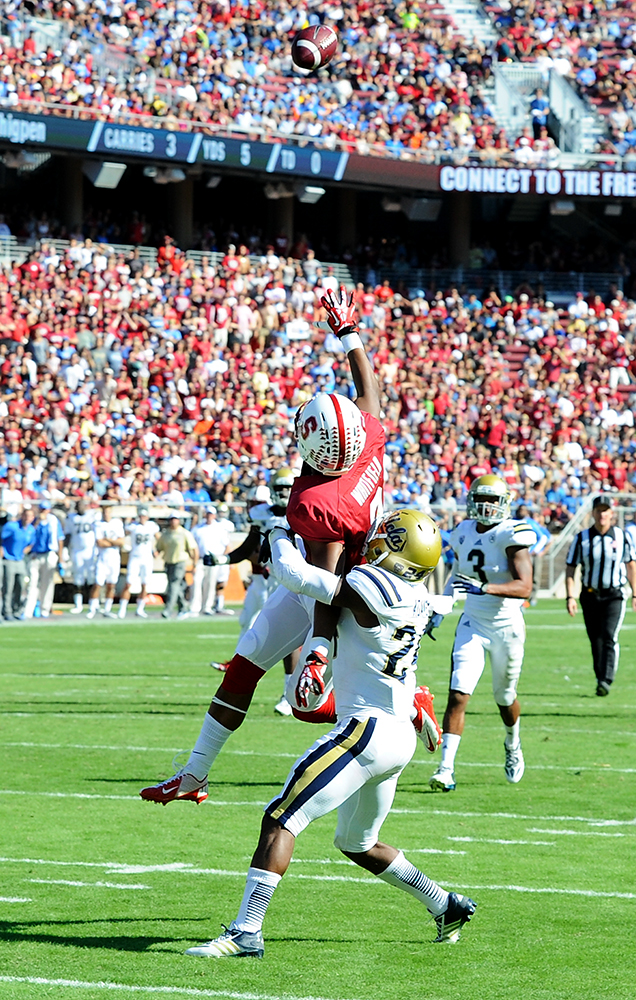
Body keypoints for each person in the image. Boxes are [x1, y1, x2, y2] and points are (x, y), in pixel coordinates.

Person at [183, 509, 476, 959]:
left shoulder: (373, 585)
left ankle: (247, 930)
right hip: (398, 735)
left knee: (281, 819)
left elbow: (298, 576)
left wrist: (281, 530)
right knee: (356, 843)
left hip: (366, 730)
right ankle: (444, 903)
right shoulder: (417, 595)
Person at [140, 285, 388, 804]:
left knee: (309, 706)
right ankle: (194, 775)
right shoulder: (368, 436)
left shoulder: (317, 504)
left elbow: (322, 584)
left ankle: (409, 703)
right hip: (348, 573)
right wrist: (348, 333)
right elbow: (369, 389)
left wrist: (317, 647)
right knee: (246, 659)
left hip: (338, 591)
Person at [428, 475, 535, 792]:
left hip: (507, 626)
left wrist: (486, 588)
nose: (487, 506)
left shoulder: (511, 533)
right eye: (482, 499)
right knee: (458, 694)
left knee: (504, 697)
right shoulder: (461, 531)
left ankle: (512, 742)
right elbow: (456, 577)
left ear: (504, 503)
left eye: (493, 500)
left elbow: (525, 586)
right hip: (472, 622)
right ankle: (445, 769)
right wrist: (439, 611)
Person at [208, 468, 299, 717]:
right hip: (267, 580)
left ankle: (288, 694)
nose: (282, 492)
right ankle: (238, 682)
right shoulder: (261, 515)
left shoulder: (301, 512)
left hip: (292, 582)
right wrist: (222, 558)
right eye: (278, 487)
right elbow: (249, 545)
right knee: (251, 627)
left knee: (292, 638)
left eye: (286, 487)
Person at [566, 495, 636, 696]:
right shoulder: (582, 538)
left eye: (606, 510)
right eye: (599, 510)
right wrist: (570, 597)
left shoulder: (622, 537)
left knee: (609, 636)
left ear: (612, 514)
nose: (602, 514)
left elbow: (631, 565)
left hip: (614, 594)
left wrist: (635, 594)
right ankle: (600, 676)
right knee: (595, 639)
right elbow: (571, 568)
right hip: (589, 594)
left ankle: (606, 679)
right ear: (593, 513)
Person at [191, 505, 235, 617]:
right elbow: (193, 545)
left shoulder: (219, 528)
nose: (209, 516)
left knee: (210, 584)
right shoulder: (198, 528)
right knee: (196, 581)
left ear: (214, 515)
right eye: (208, 514)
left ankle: (207, 606)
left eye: (211, 514)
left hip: (214, 559)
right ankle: (195, 607)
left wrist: (223, 560)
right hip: (201, 559)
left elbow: (227, 545)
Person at [23, 502, 64, 619]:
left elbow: (59, 539)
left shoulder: (54, 521)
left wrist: (60, 559)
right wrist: (37, 522)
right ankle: (28, 610)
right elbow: (30, 535)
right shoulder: (35, 522)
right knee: (32, 583)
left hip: (49, 554)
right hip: (36, 555)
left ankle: (45, 608)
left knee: (47, 583)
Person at [118, 506, 160, 618]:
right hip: (135, 557)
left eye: (144, 516)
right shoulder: (133, 527)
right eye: (141, 516)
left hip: (147, 558)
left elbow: (159, 538)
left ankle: (140, 609)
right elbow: (122, 535)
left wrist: (156, 549)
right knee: (128, 583)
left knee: (145, 584)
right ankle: (122, 608)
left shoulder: (152, 526)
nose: (142, 518)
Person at [156, 512, 198, 619]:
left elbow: (193, 548)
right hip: (168, 562)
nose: (173, 521)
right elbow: (159, 546)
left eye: (175, 519)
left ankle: (168, 610)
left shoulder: (184, 533)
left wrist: (195, 563)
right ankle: (184, 607)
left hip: (180, 561)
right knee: (175, 586)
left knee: (173, 585)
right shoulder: (166, 534)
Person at [87, 504, 125, 619]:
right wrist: (113, 541)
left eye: (108, 512)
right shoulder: (99, 525)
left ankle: (107, 608)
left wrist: (109, 540)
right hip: (102, 557)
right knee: (98, 583)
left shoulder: (117, 523)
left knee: (111, 584)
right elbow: (100, 542)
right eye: (104, 512)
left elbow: (121, 542)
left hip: (114, 558)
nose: (106, 514)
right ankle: (92, 608)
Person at [64, 499, 99, 614]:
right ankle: (78, 605)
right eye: (78, 505)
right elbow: (68, 534)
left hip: (90, 551)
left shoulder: (93, 515)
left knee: (92, 578)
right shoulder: (71, 517)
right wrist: (65, 549)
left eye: (83, 505)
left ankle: (94, 603)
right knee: (78, 578)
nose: (81, 507)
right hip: (77, 550)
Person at [1, 507, 35, 620]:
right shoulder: (12, 526)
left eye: (30, 516)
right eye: (26, 515)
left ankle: (17, 610)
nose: (27, 518)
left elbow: (31, 543)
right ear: (22, 515)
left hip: (20, 559)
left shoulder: (30, 529)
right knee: (8, 587)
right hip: (9, 558)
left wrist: (24, 551)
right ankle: (7, 611)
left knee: (20, 585)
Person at [516, 504, 551, 604]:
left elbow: (544, 538)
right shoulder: (514, 521)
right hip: (518, 555)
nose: (521, 511)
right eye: (520, 509)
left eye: (523, 510)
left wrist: (535, 550)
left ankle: (532, 597)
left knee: (534, 576)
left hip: (529, 554)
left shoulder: (530, 523)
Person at [211, 502, 236, 614]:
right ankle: (211, 603)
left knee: (222, 581)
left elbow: (229, 542)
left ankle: (219, 604)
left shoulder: (229, 524)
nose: (222, 514)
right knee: (212, 581)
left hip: (225, 555)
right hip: (216, 554)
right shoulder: (213, 524)